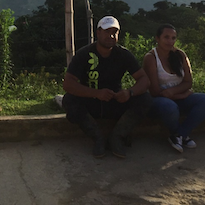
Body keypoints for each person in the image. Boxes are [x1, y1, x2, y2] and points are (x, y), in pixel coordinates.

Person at [62, 16, 152, 159]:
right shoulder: (84, 54)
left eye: (115, 32)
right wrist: (96, 93)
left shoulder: (124, 55)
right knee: (69, 100)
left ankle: (117, 137)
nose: (111, 35)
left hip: (115, 102)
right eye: (107, 31)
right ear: (98, 33)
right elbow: (68, 83)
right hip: (91, 102)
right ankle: (98, 138)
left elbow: (144, 79)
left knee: (145, 99)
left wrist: (129, 92)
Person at [142, 24, 205, 153]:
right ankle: (178, 134)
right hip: (158, 101)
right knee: (169, 106)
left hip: (177, 97)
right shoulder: (151, 58)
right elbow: (154, 91)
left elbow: (188, 82)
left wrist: (173, 92)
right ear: (157, 38)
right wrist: (180, 95)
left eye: (173, 38)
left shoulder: (180, 55)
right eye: (166, 37)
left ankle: (179, 135)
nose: (170, 41)